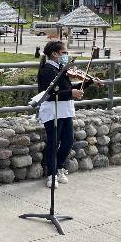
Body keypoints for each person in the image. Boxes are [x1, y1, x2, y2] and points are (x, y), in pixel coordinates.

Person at [37, 40, 83, 189]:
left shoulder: (62, 69)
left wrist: (86, 83)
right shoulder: (47, 70)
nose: (66, 55)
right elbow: (49, 93)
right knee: (53, 142)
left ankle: (59, 167)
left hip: (65, 110)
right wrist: (71, 93)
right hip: (52, 112)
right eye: (64, 53)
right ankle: (51, 174)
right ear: (54, 54)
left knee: (68, 141)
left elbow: (67, 88)